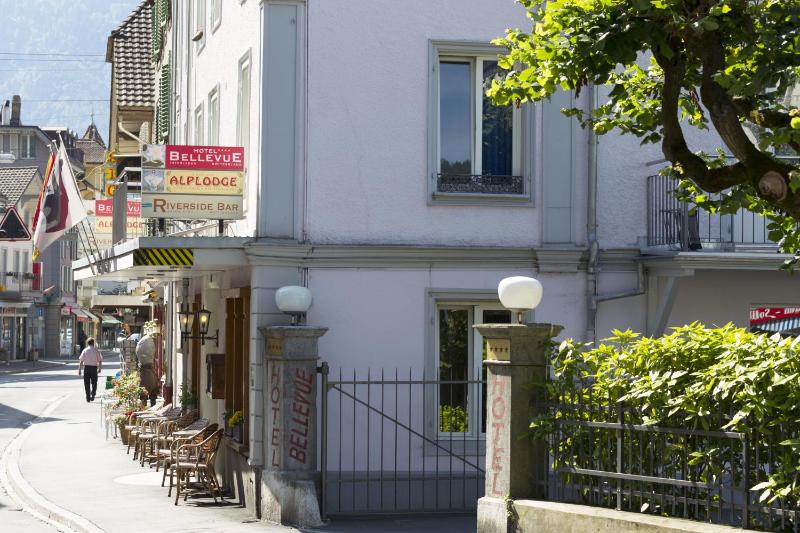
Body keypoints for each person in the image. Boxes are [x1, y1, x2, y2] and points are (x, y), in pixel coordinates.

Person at [78, 338, 103, 402]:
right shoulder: (96, 350)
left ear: (87, 343)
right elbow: (100, 361)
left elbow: (81, 361)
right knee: (94, 382)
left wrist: (79, 369)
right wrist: (99, 368)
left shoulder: (85, 350)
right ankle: (93, 393)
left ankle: (88, 397)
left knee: (86, 383)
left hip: (86, 368)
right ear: (93, 343)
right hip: (94, 368)